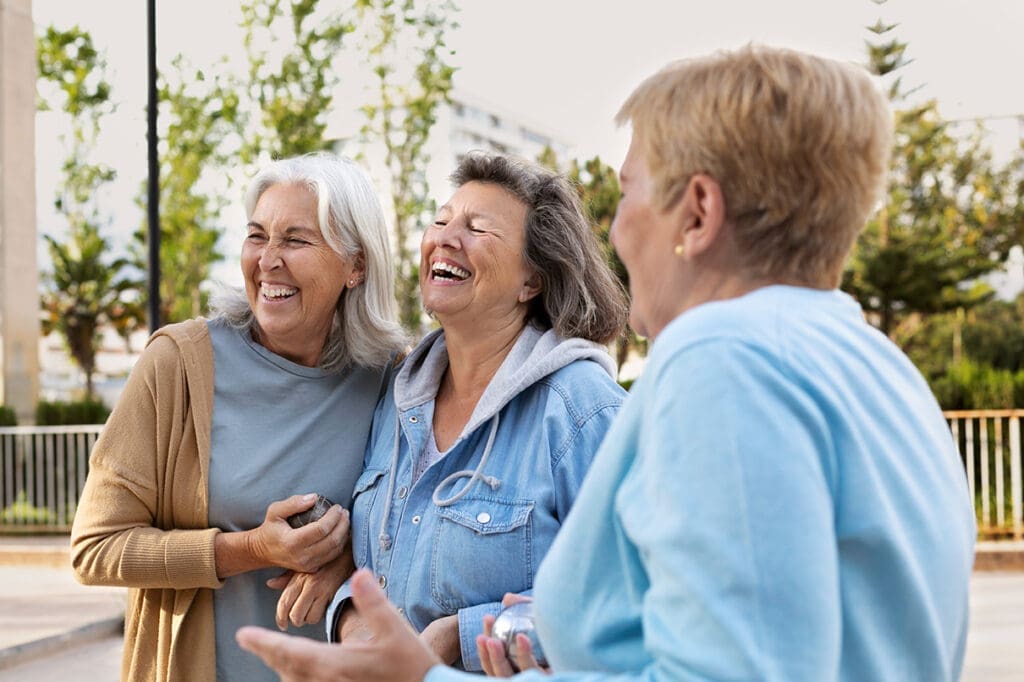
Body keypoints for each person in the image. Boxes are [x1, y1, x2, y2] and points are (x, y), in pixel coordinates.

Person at [236, 45, 977, 682]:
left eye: (627, 193)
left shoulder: (725, 363)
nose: (614, 229)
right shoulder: (878, 367)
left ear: (697, 214)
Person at [70, 152, 407, 682]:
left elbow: (420, 538)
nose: (268, 259)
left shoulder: (393, 379)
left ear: (356, 265)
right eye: (257, 235)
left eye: (296, 240)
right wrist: (250, 548)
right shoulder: (179, 363)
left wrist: (349, 565)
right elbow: (95, 548)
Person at [322, 151, 630, 672]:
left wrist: (458, 637)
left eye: (477, 229)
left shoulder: (584, 412)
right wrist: (349, 617)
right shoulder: (396, 398)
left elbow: (628, 600)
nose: (446, 237)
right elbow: (368, 568)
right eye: (441, 220)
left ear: (531, 280)